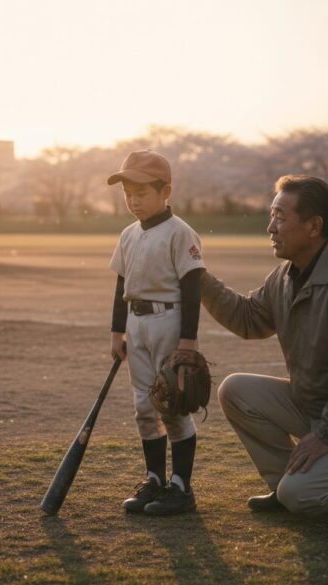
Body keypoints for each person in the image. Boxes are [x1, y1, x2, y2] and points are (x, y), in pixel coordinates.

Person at [201, 174, 328, 519]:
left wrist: (326, 434)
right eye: (271, 215)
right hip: (316, 404)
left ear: (314, 226)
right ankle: (283, 485)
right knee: (236, 390)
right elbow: (249, 319)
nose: (270, 227)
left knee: (301, 496)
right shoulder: (285, 276)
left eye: (280, 217)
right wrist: (199, 278)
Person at [107, 149, 206, 515]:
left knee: (173, 404)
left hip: (170, 320)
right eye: (127, 193)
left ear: (166, 191)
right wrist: (117, 332)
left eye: (142, 193)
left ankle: (181, 488)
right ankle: (155, 480)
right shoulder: (128, 235)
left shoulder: (180, 233)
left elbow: (193, 287)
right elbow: (121, 286)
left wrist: (188, 342)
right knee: (143, 406)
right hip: (136, 322)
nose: (133, 200)